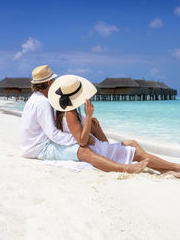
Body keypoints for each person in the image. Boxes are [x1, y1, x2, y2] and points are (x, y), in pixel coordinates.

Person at [48, 74, 180, 177]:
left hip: (98, 147)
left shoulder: (67, 112)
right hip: (97, 151)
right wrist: (89, 118)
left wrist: (94, 127)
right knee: (137, 153)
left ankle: (164, 169)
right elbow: (82, 141)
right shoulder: (70, 113)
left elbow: (99, 140)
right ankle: (176, 167)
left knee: (132, 143)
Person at [20, 65, 148, 174]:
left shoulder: (35, 99)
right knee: (83, 151)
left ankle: (110, 154)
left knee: (92, 126)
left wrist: (84, 121)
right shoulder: (43, 103)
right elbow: (52, 133)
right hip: (39, 148)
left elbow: (50, 123)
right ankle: (125, 168)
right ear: (49, 83)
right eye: (53, 81)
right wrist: (80, 140)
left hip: (34, 145)